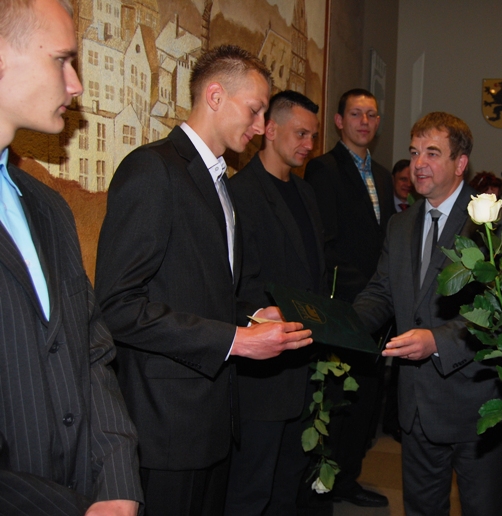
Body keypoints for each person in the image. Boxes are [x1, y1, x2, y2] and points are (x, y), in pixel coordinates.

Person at [95, 46, 313, 516]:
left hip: (213, 417)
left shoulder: (219, 182)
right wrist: (236, 340)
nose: (261, 126)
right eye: (254, 110)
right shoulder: (152, 169)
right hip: (166, 422)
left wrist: (253, 315)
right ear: (215, 96)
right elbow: (118, 306)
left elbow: (207, 293)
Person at [0, 0, 142, 514]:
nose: (76, 84)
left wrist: (118, 484)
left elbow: (90, 351)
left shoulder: (48, 207)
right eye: (61, 60)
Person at [355, 112, 502, 516]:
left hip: (477, 405)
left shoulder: (494, 224)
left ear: (460, 163)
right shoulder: (399, 225)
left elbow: (501, 309)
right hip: (416, 405)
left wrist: (437, 341)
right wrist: (343, 324)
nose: (419, 163)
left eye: (432, 153)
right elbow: (381, 292)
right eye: (414, 153)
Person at [224, 90, 324, 516]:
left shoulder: (306, 193)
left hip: (304, 365)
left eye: (313, 136)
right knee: (250, 492)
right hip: (261, 376)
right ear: (269, 129)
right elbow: (235, 285)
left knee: (288, 487)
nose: (309, 144)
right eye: (301, 133)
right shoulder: (239, 194)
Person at [304, 88, 394, 509]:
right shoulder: (323, 169)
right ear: (339, 121)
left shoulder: (383, 174)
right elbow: (324, 243)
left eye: (371, 115)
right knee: (339, 398)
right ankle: (326, 482)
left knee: (367, 398)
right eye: (356, 114)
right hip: (346, 303)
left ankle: (349, 478)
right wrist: (366, 291)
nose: (364, 122)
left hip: (380, 306)